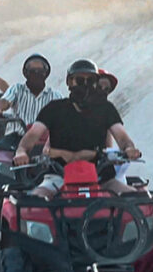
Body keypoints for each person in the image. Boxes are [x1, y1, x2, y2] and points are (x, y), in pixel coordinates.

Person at [12, 59, 141, 199]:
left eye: (90, 80)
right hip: (58, 176)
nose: (85, 84)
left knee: (138, 201)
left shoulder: (107, 109)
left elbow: (122, 137)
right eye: (79, 80)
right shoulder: (54, 108)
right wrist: (21, 152)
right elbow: (32, 135)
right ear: (69, 82)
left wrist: (129, 149)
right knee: (35, 202)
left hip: (102, 178)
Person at [0, 53, 64, 124]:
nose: (36, 75)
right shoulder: (17, 89)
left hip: (45, 136)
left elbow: (63, 115)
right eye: (32, 72)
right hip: (18, 135)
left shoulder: (55, 95)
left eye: (40, 72)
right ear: (26, 74)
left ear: (46, 74)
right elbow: (5, 101)